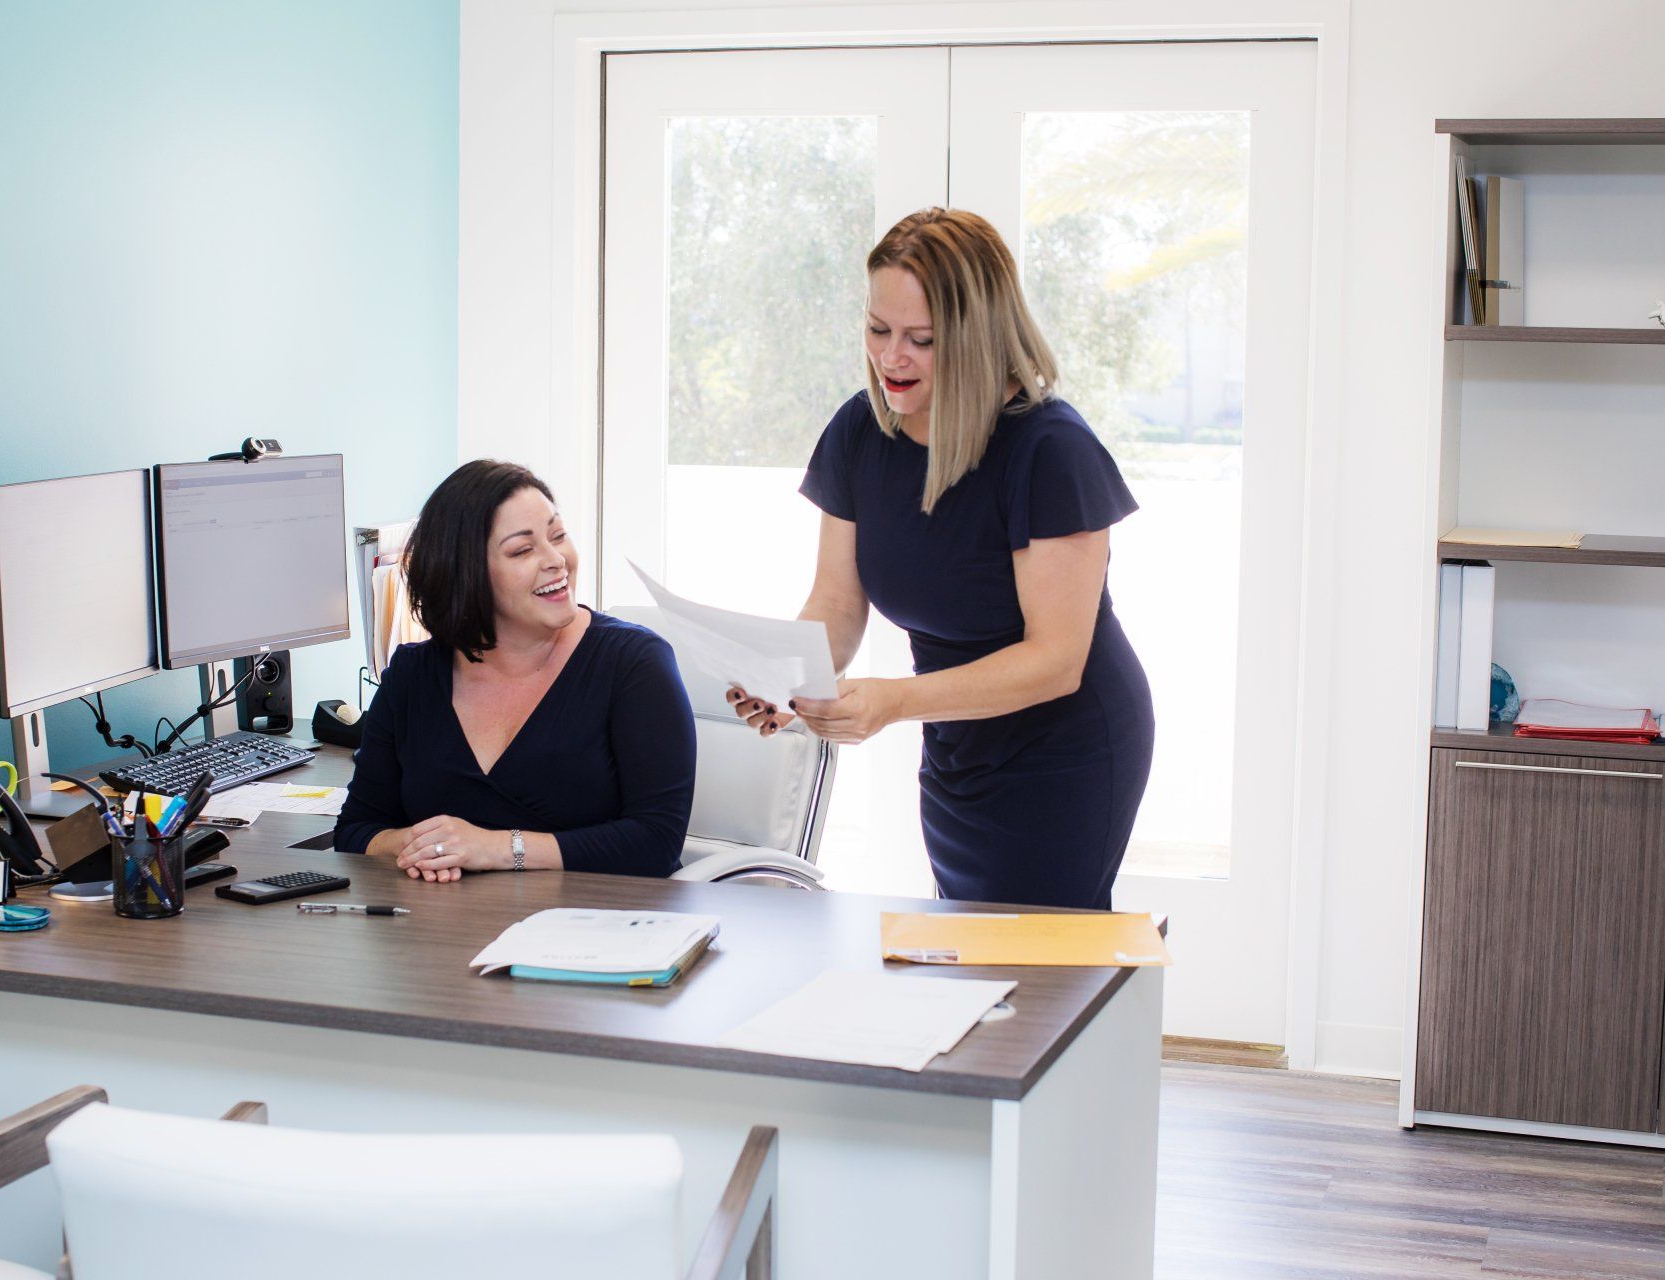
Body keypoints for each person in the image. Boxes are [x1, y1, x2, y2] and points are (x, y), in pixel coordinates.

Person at [732, 207, 1154, 910]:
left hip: (1066, 744)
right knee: (972, 941)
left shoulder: (1050, 451)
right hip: (957, 732)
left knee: (1036, 954)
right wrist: (788, 679)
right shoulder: (859, 434)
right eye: (878, 330)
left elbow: (1057, 660)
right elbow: (836, 607)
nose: (892, 357)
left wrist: (895, 702)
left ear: (980, 336)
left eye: (922, 340)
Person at [335, 460, 696, 880]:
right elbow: (357, 831)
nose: (556, 559)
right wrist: (429, 846)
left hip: (604, 929)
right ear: (465, 574)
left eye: (558, 535)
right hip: (448, 934)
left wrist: (497, 847)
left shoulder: (634, 663)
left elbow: (655, 841)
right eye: (523, 550)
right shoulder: (412, 676)